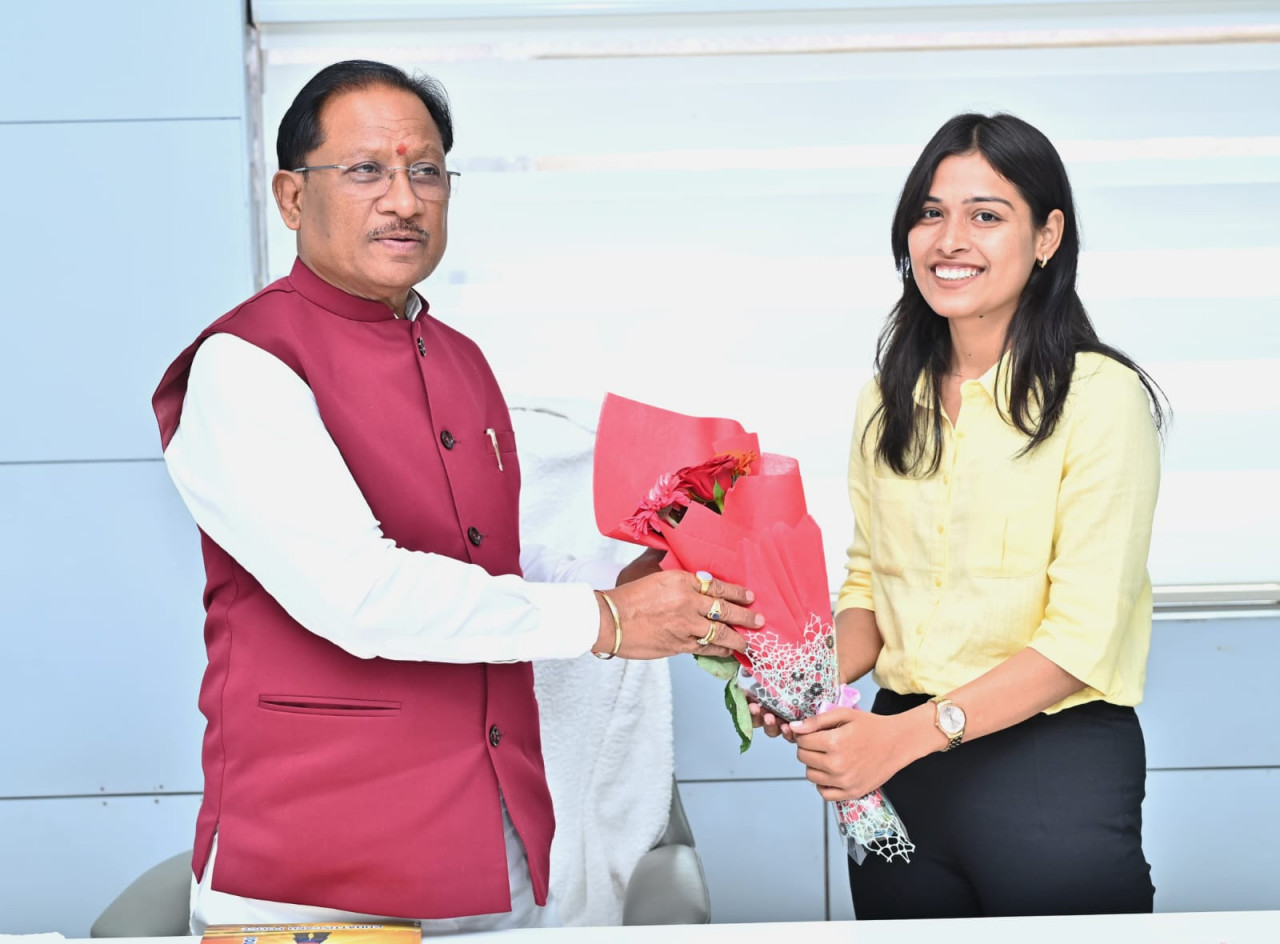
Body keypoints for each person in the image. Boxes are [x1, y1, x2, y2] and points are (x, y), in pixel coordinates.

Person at [150, 59, 761, 933]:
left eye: (427, 172)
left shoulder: (463, 361)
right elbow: (359, 592)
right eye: (366, 170)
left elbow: (485, 558)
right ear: (291, 196)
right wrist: (605, 620)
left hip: (493, 843)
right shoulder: (245, 365)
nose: (404, 199)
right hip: (316, 861)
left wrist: (635, 585)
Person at [754, 112, 1165, 918]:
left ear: (1047, 236)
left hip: (1047, 766)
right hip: (897, 772)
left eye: (986, 215)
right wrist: (804, 676)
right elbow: (872, 587)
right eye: (930, 213)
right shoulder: (886, 402)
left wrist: (899, 740)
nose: (950, 240)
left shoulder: (1099, 399)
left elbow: (1082, 638)